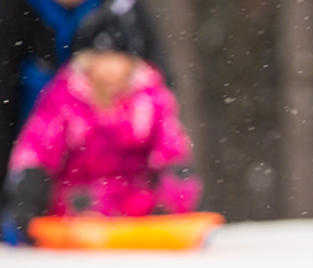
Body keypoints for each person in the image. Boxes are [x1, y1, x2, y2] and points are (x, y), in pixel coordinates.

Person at [1, 2, 199, 245]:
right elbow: (37, 152)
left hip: (137, 204)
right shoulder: (65, 99)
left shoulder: (150, 98)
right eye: (100, 59)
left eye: (117, 59)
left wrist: (174, 200)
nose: (109, 70)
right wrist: (26, 201)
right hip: (78, 203)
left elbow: (172, 150)